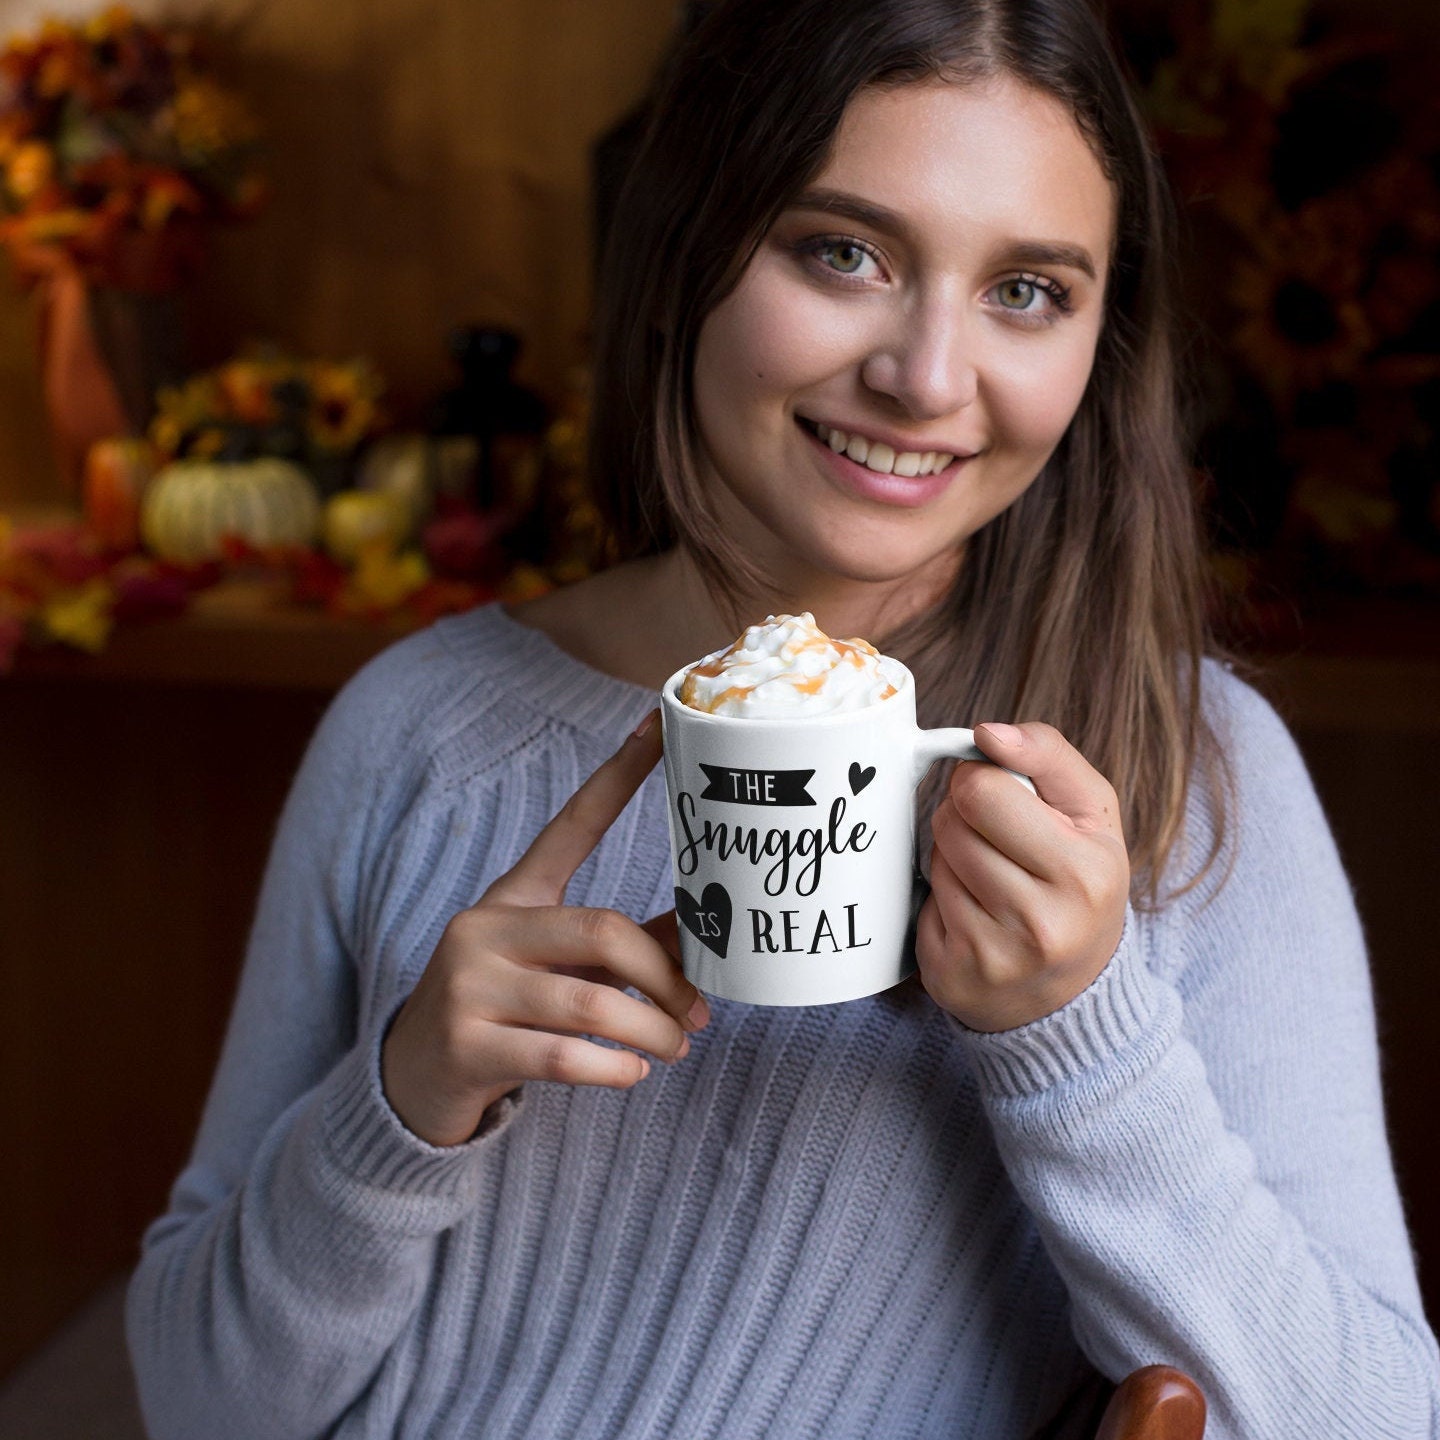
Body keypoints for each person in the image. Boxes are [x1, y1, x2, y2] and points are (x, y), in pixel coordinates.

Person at [126, 0, 1440, 1435]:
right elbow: (196, 1400)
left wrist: (1085, 1041)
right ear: (689, 247)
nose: (928, 378)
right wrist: (403, 1101)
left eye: (1028, 291)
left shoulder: (1185, 777)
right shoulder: (419, 727)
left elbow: (1368, 1415)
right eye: (843, 252)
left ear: (1098, 342)